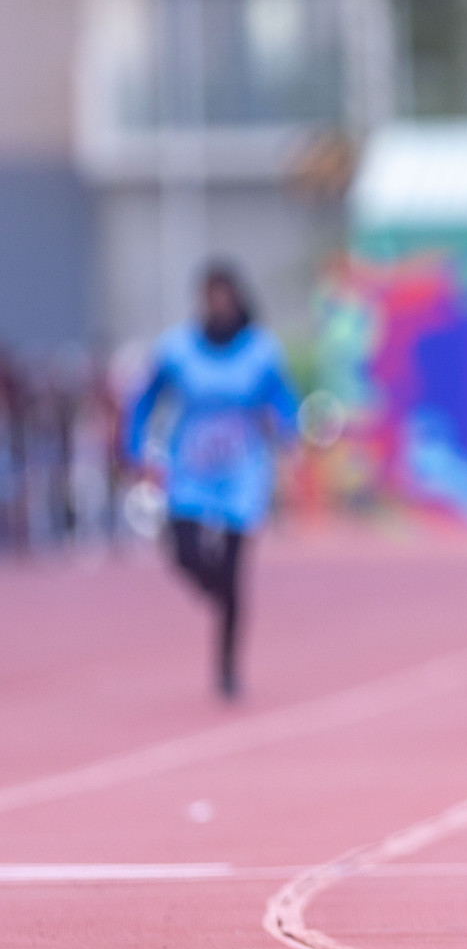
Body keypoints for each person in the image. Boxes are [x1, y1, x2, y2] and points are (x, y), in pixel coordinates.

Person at [124, 262, 297, 700]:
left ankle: (226, 670)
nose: (217, 304)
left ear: (237, 297)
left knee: (235, 572)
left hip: (242, 472)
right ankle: (214, 591)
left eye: (224, 295)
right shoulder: (177, 349)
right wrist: (133, 446)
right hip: (191, 470)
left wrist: (289, 429)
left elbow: (282, 399)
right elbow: (145, 400)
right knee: (184, 551)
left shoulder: (261, 351)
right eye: (210, 295)